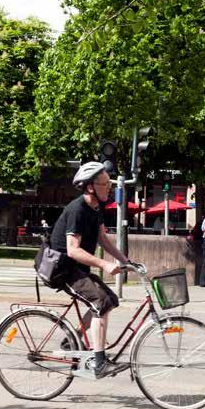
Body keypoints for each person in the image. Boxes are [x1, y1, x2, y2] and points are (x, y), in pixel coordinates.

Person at [50, 161, 131, 379]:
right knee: (100, 303)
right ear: (90, 187)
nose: (109, 187)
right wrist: (105, 264)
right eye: (104, 184)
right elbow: (73, 250)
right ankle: (99, 362)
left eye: (109, 183)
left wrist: (125, 260)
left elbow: (103, 238)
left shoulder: (97, 208)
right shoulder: (78, 209)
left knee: (110, 299)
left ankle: (73, 338)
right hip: (64, 269)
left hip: (78, 269)